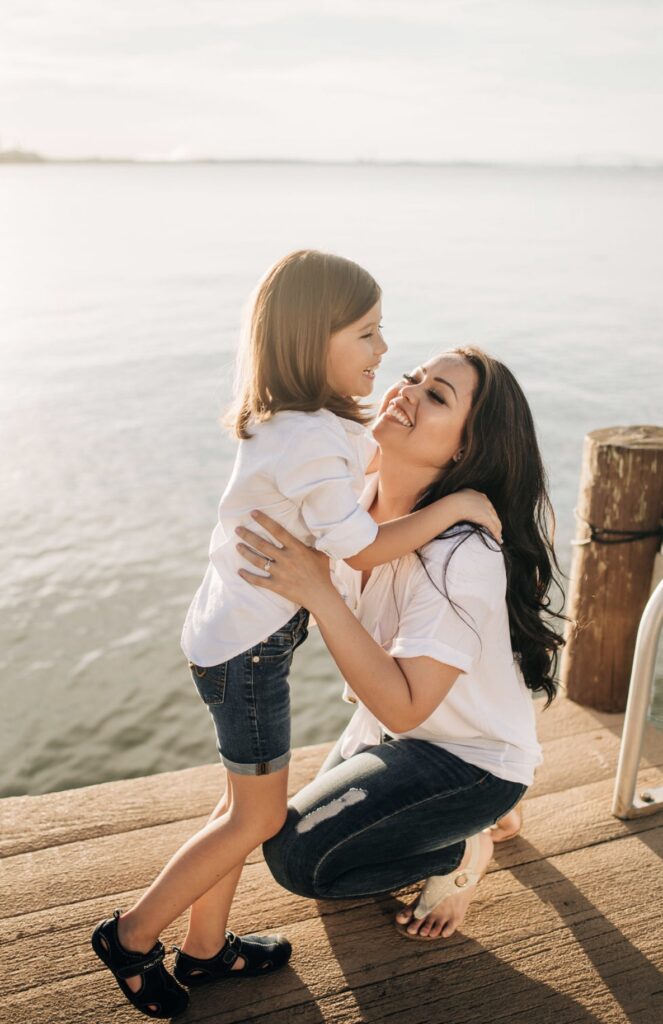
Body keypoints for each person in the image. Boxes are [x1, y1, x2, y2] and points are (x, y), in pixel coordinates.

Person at [91, 252, 501, 1018]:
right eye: (369, 334)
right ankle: (131, 934)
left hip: (234, 641)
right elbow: (361, 547)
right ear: (316, 341)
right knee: (258, 816)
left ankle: (205, 951)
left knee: (236, 809)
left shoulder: (306, 422)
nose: (384, 354)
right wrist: (456, 505)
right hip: (244, 656)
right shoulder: (313, 437)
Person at [235, 346, 564, 942]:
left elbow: (408, 705)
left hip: (466, 757)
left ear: (467, 448)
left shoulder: (463, 554)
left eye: (437, 395)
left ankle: (463, 848)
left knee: (296, 860)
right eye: (413, 376)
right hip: (388, 730)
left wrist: (320, 593)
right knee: (271, 823)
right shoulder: (351, 504)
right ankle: (474, 825)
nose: (405, 390)